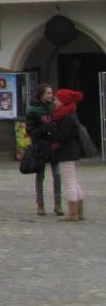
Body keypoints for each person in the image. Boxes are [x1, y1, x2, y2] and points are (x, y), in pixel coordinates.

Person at [50, 88, 88, 222]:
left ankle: (73, 213)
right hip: (70, 149)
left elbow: (63, 135)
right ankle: (78, 211)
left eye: (57, 99)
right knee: (73, 180)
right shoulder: (70, 113)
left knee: (69, 181)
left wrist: (54, 137)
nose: (55, 101)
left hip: (67, 150)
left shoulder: (67, 115)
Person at [24, 85, 61, 216]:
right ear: (41, 95)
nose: (51, 95)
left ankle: (58, 204)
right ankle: (40, 204)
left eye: (51, 92)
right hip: (40, 145)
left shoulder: (55, 107)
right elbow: (30, 130)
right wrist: (45, 128)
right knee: (40, 175)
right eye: (48, 93)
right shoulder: (33, 110)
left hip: (53, 145)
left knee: (57, 174)